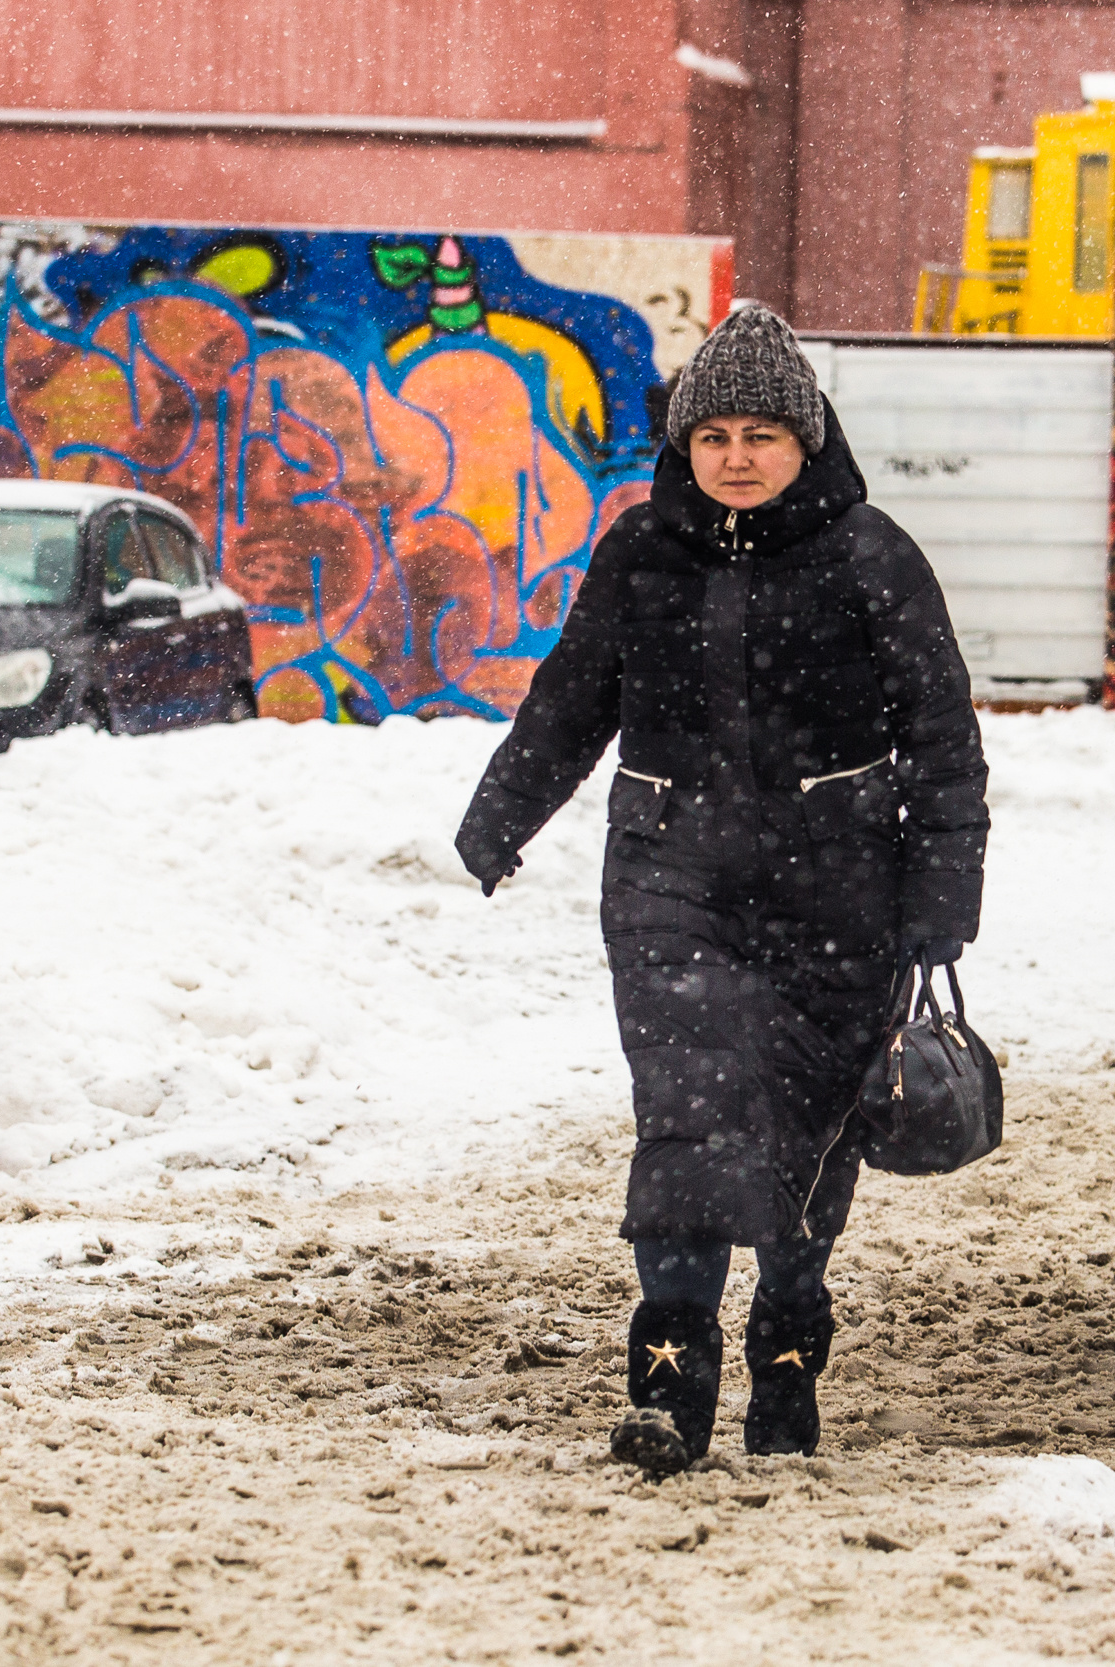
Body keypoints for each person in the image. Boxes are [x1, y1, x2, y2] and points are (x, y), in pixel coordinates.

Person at [453, 303, 990, 1472]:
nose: (737, 455)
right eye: (715, 434)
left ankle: (789, 1340)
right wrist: (500, 815)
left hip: (838, 886)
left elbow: (943, 739)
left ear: (806, 440)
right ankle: (671, 1372)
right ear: (683, 446)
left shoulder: (871, 555)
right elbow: (569, 699)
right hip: (669, 876)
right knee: (688, 1114)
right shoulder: (642, 551)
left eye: (761, 432)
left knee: (810, 1127)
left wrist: (942, 899)